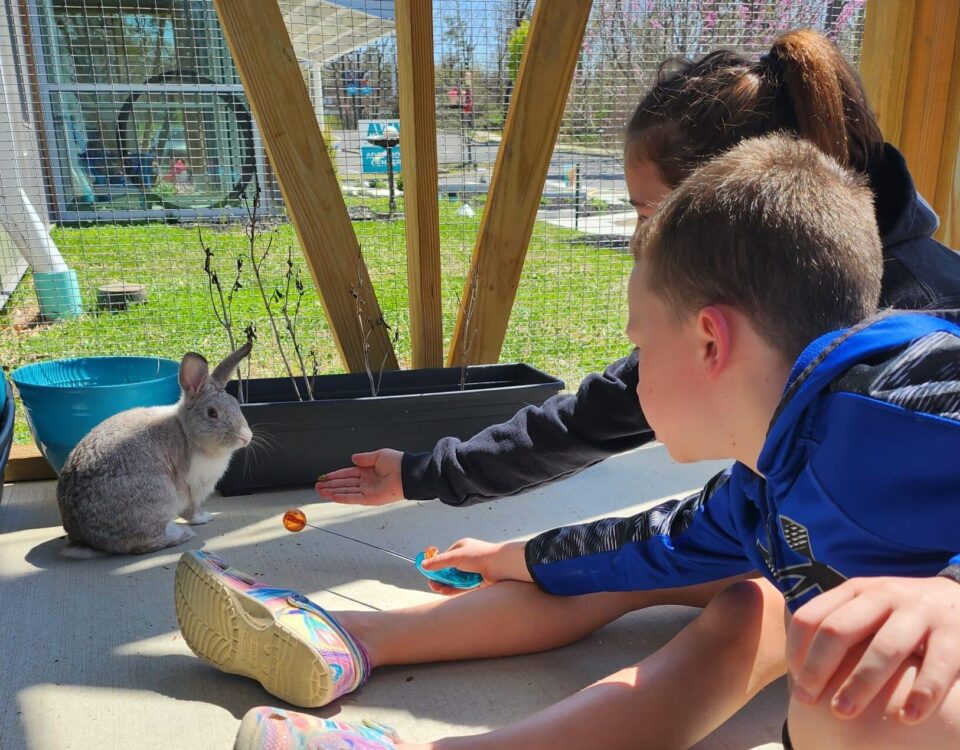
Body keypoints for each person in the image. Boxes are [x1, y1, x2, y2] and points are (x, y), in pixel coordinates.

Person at [177, 134, 960, 749]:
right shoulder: (765, 482)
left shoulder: (899, 401)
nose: (629, 374)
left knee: (852, 711)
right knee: (743, 626)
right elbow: (653, 542)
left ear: (710, 343)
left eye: (637, 346)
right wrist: (520, 555)